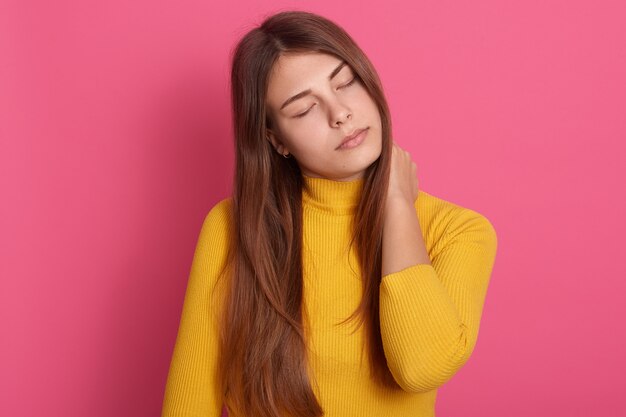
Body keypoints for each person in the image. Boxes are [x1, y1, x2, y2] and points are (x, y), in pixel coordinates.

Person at [161, 10, 498, 417]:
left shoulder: (459, 231)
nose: (340, 113)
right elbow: (189, 403)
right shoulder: (233, 228)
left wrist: (396, 205)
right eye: (304, 110)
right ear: (276, 141)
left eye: (345, 83)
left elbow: (421, 368)